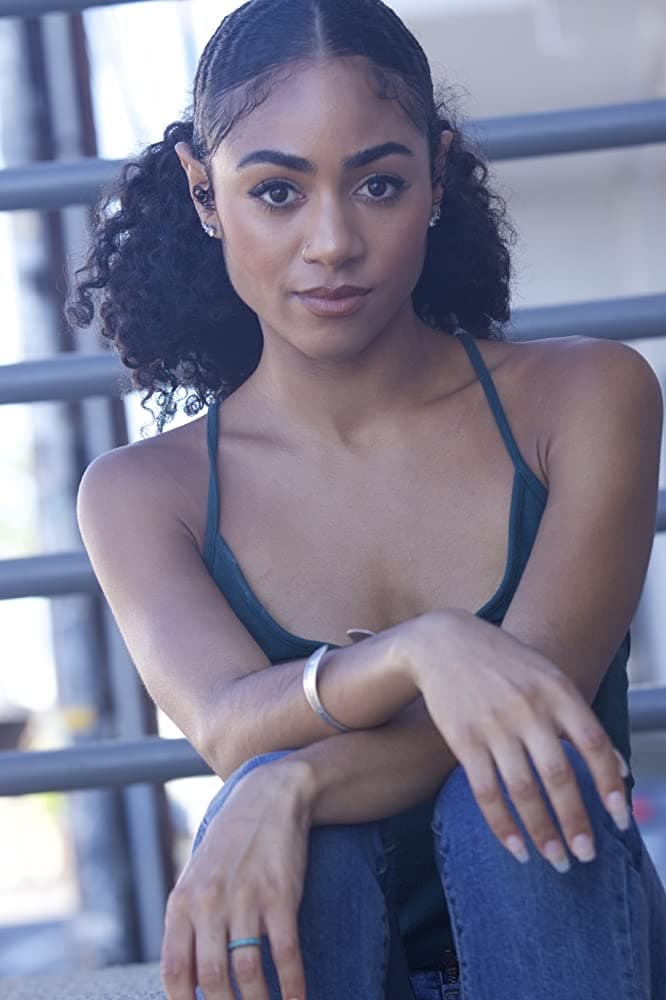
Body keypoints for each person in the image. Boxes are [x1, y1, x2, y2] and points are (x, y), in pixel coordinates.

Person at [66, 1, 666, 998]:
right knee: (307, 840)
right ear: (205, 193)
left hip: (574, 948)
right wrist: (419, 651)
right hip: (332, 954)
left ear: (436, 177)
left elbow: (531, 707)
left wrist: (296, 778)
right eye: (277, 192)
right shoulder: (142, 494)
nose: (333, 242)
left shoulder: (587, 398)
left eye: (378, 183)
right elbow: (228, 726)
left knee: (472, 788)